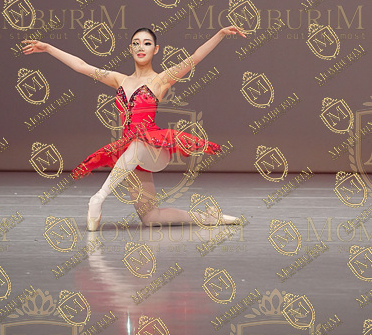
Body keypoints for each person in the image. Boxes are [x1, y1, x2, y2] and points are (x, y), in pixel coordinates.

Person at [22, 25, 246, 231]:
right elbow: (82, 66)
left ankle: (98, 198)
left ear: (155, 49)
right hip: (131, 154)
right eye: (136, 43)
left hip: (155, 149)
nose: (141, 47)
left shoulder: (161, 80)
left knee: (137, 144)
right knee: (151, 217)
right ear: (130, 49)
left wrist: (220, 34)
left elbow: (195, 57)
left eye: (147, 43)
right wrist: (48, 48)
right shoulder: (119, 80)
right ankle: (208, 218)